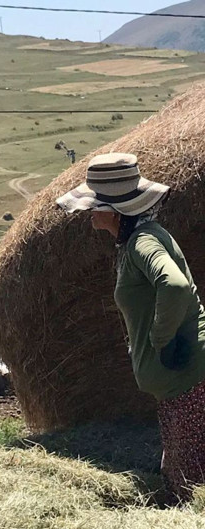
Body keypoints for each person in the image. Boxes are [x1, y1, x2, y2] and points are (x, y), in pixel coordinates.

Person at [57, 152, 205, 501]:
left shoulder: (143, 241)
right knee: (181, 470)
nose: (90, 212)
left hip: (189, 375)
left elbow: (175, 285)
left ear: (114, 210)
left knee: (190, 480)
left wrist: (161, 339)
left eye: (95, 204)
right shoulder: (137, 239)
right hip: (178, 381)